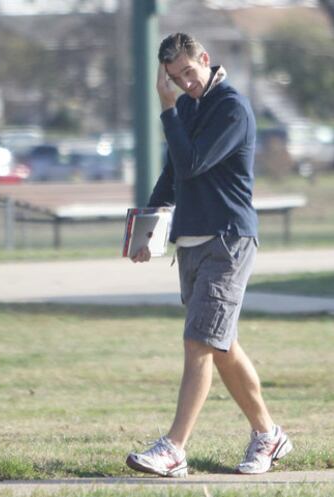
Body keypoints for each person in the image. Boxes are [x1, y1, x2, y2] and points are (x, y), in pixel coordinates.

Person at [125, 32, 292, 477]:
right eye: (175, 79)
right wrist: (148, 228)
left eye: (189, 72)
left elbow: (194, 160)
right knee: (221, 345)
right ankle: (268, 434)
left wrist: (166, 109)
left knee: (199, 341)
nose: (185, 83)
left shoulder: (231, 107)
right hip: (192, 242)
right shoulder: (187, 108)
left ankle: (174, 449)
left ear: (205, 58)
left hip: (228, 240)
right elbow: (174, 171)